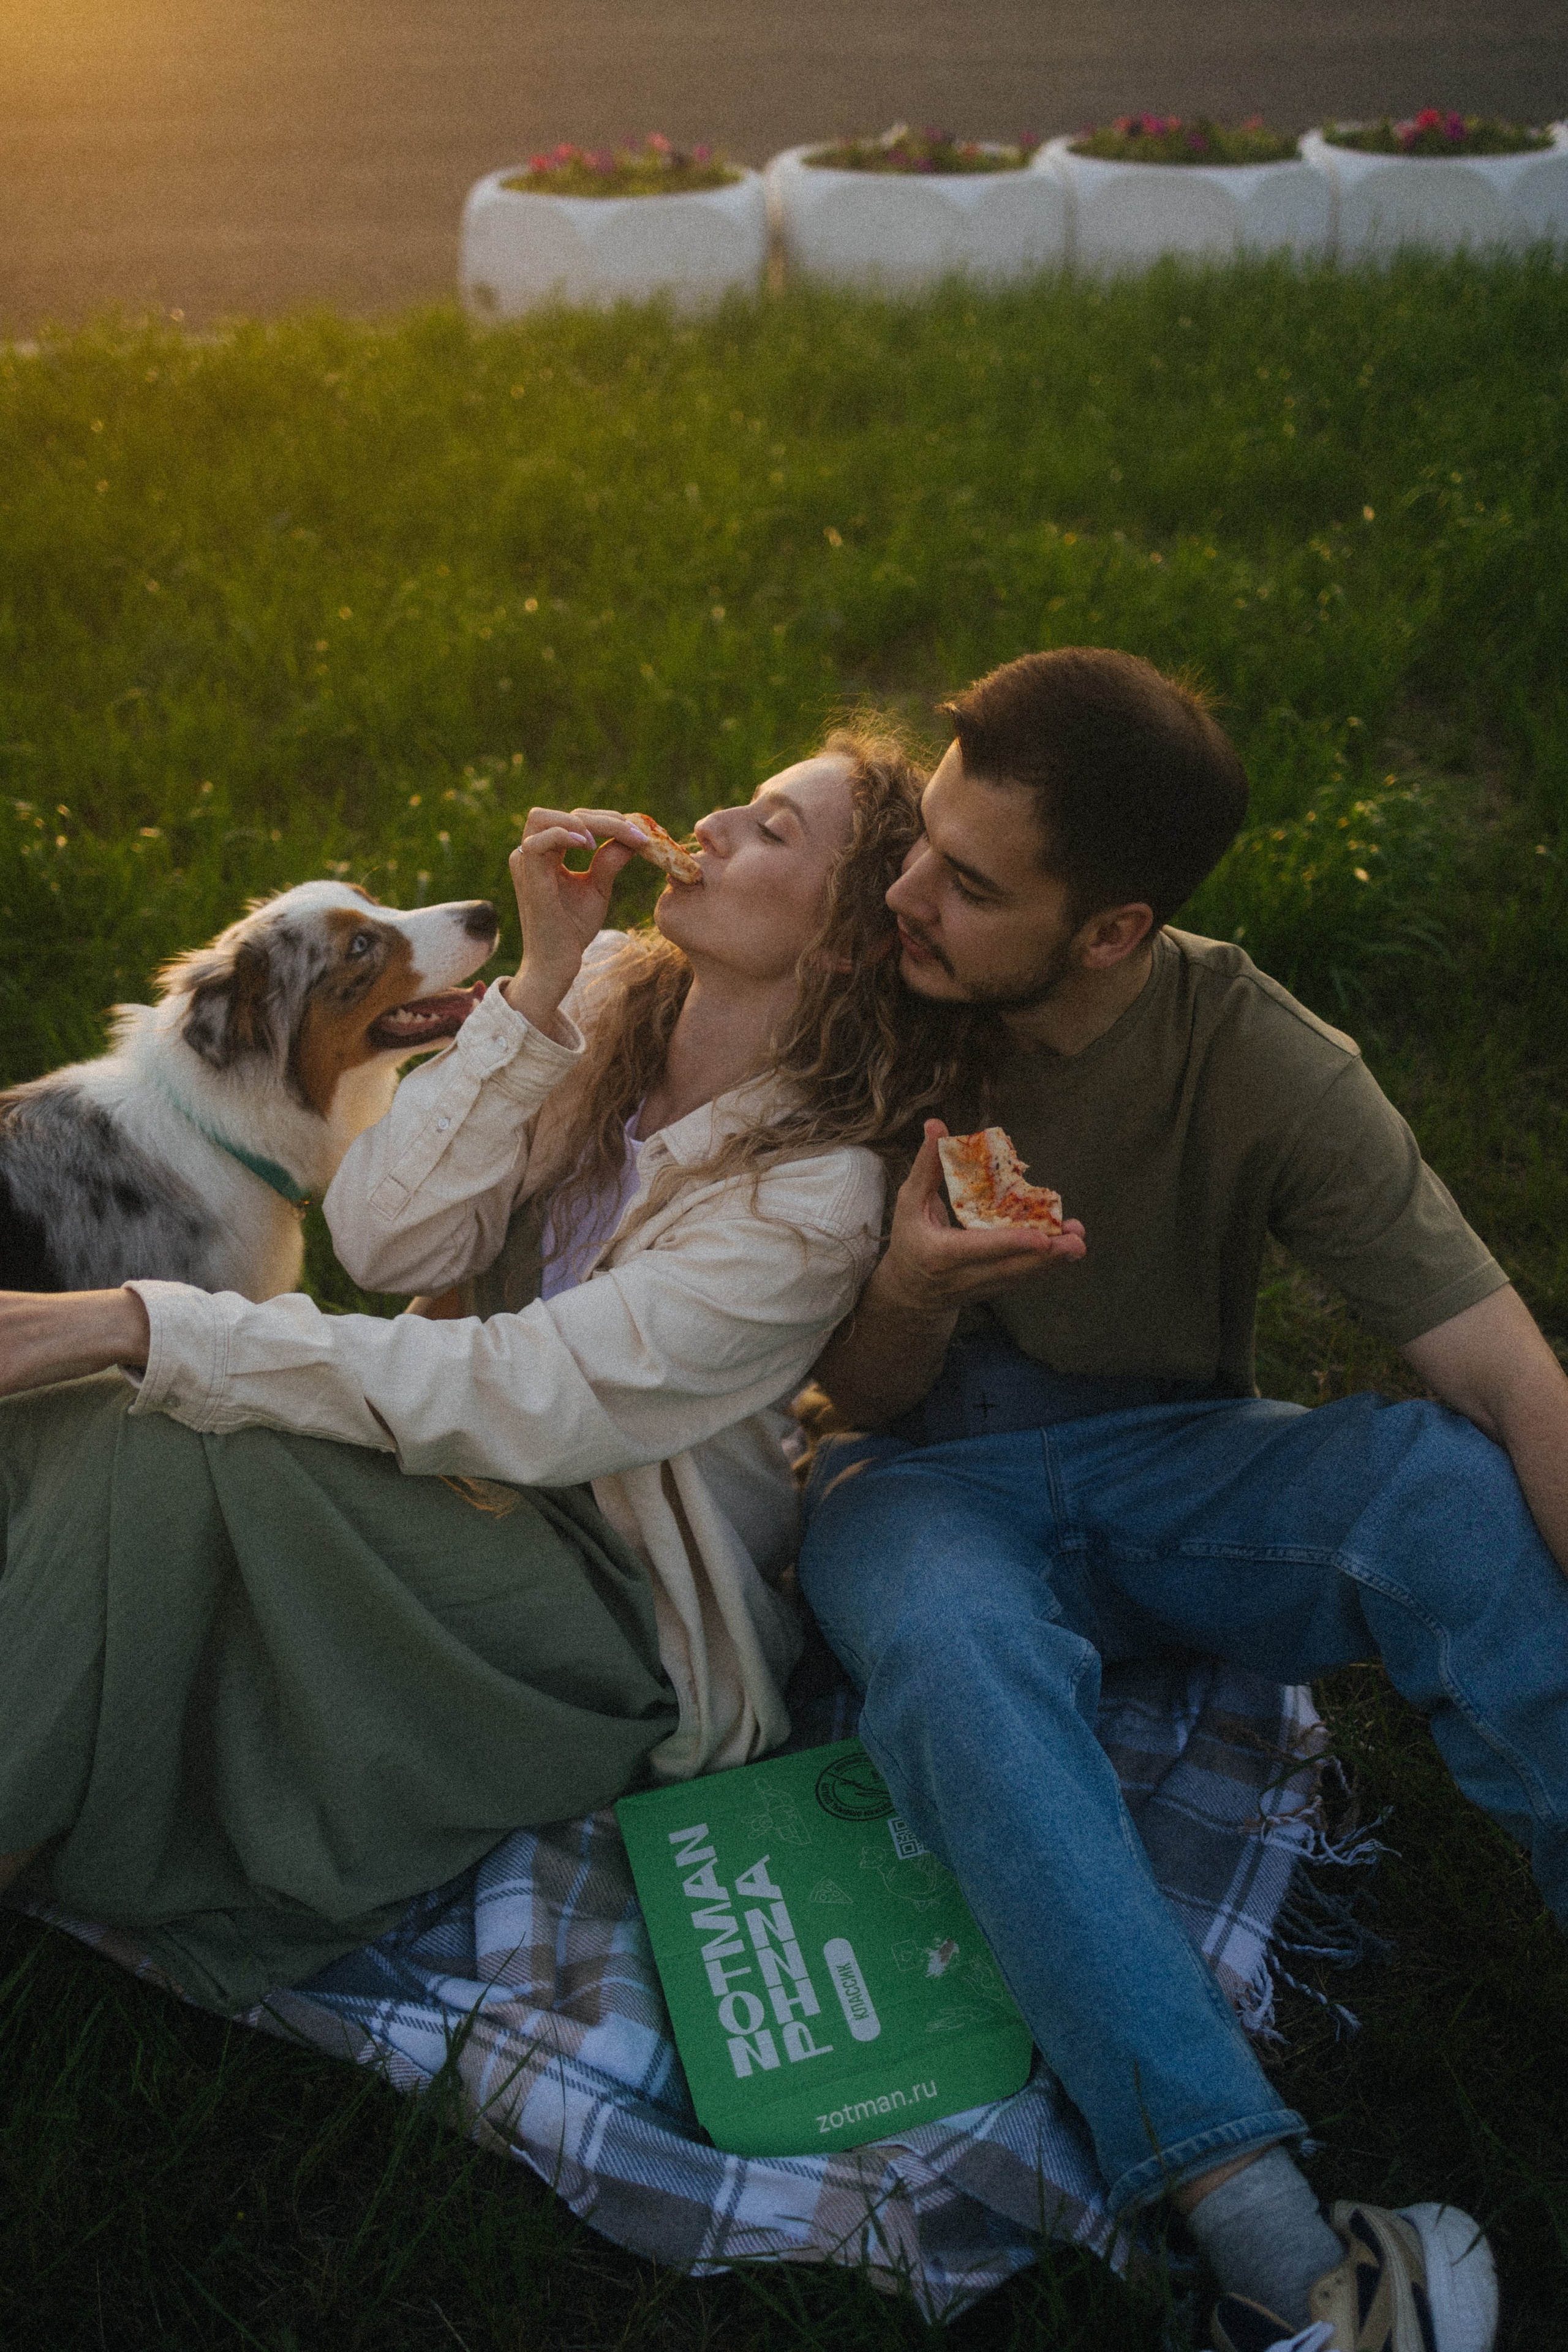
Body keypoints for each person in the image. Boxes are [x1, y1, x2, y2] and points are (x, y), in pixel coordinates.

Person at [798, 649, 1567, 2352]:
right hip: (912, 1474)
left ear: (1113, 931)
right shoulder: (869, 1002)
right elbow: (846, 1396)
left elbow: (1515, 1379)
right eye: (923, 842)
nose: (908, 896)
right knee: (952, 1656)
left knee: (1442, 1484)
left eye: (971, 884)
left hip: (1172, 1462)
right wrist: (917, 1286)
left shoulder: (1261, 1057)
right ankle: (1289, 2264)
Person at [0, 731, 962, 2011]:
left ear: (843, 942)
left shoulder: (814, 1199)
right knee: (112, 1415)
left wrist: (143, 1317)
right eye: (740, 798)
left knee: (156, 1412)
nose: (718, 820)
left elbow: (531, 1397)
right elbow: (385, 1236)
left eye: (775, 829)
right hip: (460, 1475)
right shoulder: (613, 992)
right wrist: (541, 981)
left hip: (605, 1603)